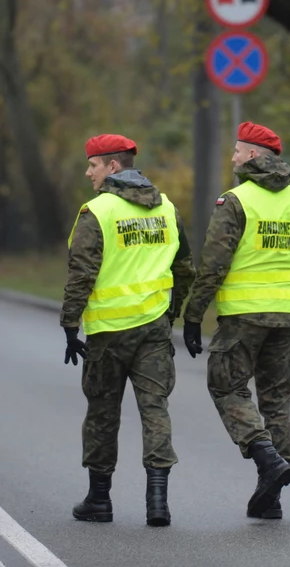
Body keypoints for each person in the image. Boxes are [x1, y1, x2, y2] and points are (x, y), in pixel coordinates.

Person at [181, 121, 290, 520]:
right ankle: (272, 498)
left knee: (225, 386)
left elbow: (213, 265)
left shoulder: (235, 202)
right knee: (277, 401)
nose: (232, 158)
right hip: (286, 320)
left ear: (252, 155)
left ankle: (266, 458)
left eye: (236, 151)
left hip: (243, 318)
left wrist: (193, 316)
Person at [60, 133, 195, 527]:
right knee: (155, 410)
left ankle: (99, 501)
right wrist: (173, 313)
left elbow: (80, 274)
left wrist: (70, 325)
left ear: (113, 166)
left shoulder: (97, 212)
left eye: (93, 165)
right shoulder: (166, 207)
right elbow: (185, 268)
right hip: (153, 329)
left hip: (107, 333)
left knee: (103, 414)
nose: (88, 172)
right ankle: (158, 502)